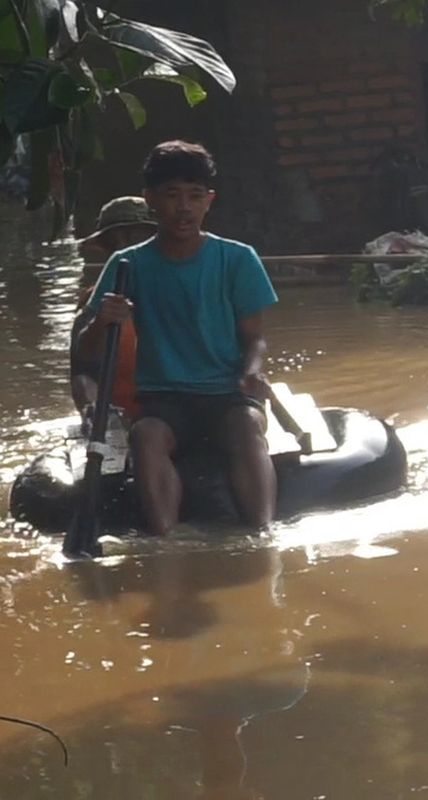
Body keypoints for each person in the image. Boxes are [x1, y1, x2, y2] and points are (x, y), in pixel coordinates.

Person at [78, 141, 279, 535]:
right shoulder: (126, 265)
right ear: (151, 200)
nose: (184, 207)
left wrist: (251, 372)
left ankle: (263, 536)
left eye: (194, 196)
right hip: (164, 399)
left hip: (226, 394)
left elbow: (255, 339)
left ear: (209, 201)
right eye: (172, 196)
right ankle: (164, 544)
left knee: (246, 427)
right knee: (145, 437)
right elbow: (86, 355)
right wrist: (103, 321)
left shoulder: (237, 259)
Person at [70, 196, 157, 419]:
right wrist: (95, 410)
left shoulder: (184, 290)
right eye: (113, 242)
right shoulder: (93, 302)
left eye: (134, 239)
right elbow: (82, 375)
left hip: (174, 411)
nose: (123, 249)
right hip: (117, 415)